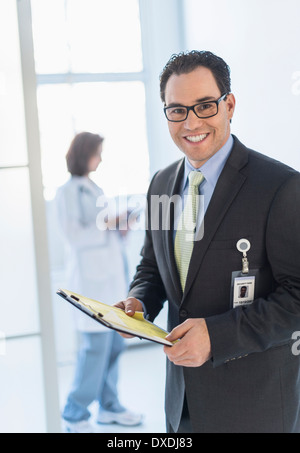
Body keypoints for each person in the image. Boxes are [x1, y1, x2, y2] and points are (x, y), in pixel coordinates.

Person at [115, 51, 300, 433]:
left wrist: (216, 337)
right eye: (178, 110)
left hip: (254, 408)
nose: (192, 122)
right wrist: (138, 303)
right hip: (181, 404)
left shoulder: (280, 187)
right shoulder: (161, 185)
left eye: (204, 106)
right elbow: (152, 268)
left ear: (229, 105)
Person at [56, 132, 143, 433]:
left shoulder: (95, 188)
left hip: (110, 279)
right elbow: (74, 236)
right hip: (90, 282)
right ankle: (74, 414)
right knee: (95, 350)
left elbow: (105, 231)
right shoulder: (67, 192)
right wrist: (107, 223)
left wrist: (121, 226)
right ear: (84, 154)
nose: (101, 159)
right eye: (97, 153)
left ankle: (109, 406)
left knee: (115, 347)